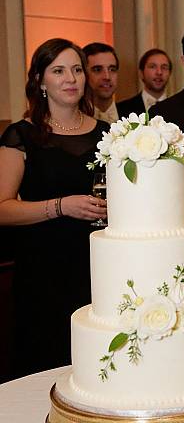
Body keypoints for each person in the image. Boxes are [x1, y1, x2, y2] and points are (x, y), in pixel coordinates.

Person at [0, 38, 109, 378]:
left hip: (98, 268)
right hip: (42, 272)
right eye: (58, 70)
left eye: (77, 69)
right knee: (46, 366)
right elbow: (2, 209)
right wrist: (62, 207)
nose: (71, 78)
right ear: (40, 81)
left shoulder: (108, 134)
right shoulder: (22, 135)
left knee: (98, 364)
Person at [117, 48, 172, 117]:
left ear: (170, 73)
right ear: (141, 73)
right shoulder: (122, 109)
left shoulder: (178, 107)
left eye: (164, 67)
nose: (159, 72)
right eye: (152, 67)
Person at [83, 42, 121, 123]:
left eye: (112, 69)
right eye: (97, 70)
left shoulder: (137, 115)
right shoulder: (74, 120)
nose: (107, 77)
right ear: (83, 74)